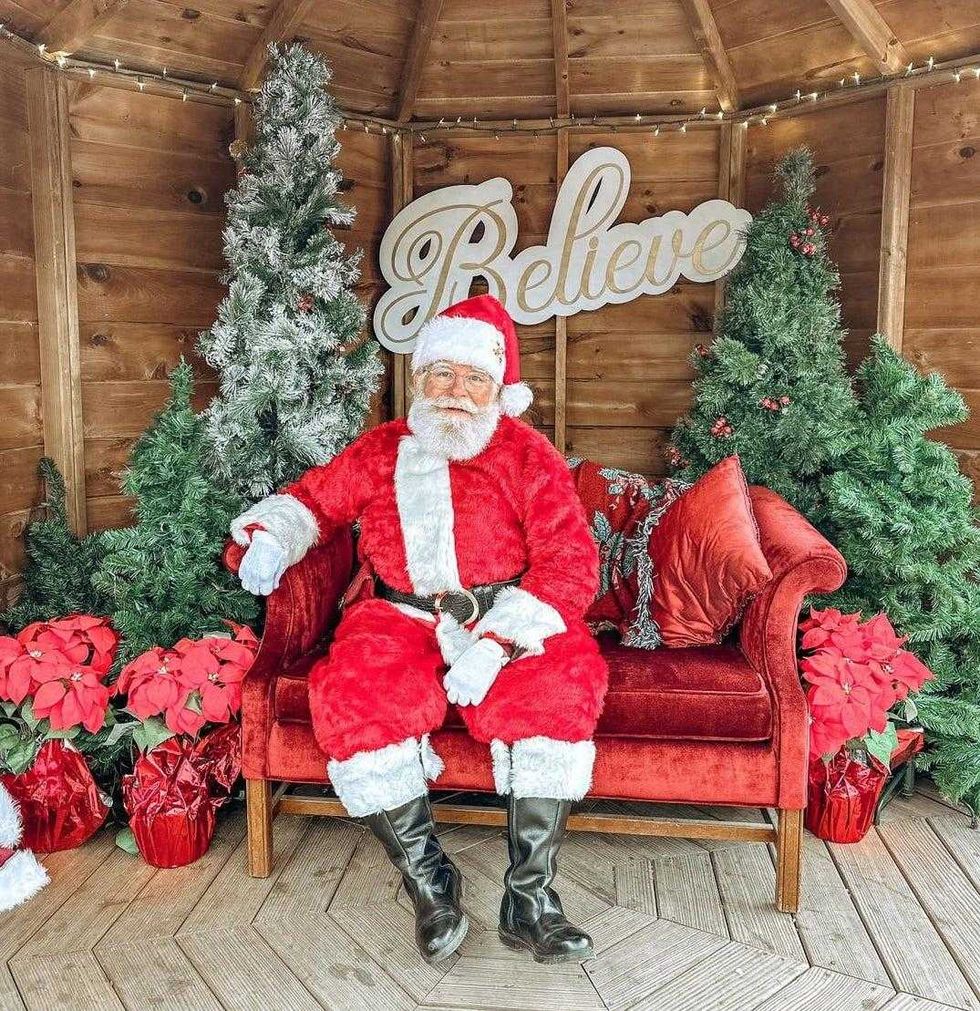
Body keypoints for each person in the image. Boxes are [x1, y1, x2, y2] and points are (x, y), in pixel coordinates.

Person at [230, 293, 609, 965]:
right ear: (421, 377)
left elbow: (570, 559)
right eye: (442, 374)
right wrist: (272, 537)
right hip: (398, 613)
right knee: (357, 693)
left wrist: (496, 644)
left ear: (498, 389)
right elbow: (316, 500)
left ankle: (530, 900)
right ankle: (432, 882)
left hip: (505, 615)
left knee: (561, 684)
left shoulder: (527, 454)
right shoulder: (383, 448)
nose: (455, 392)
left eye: (473, 379)